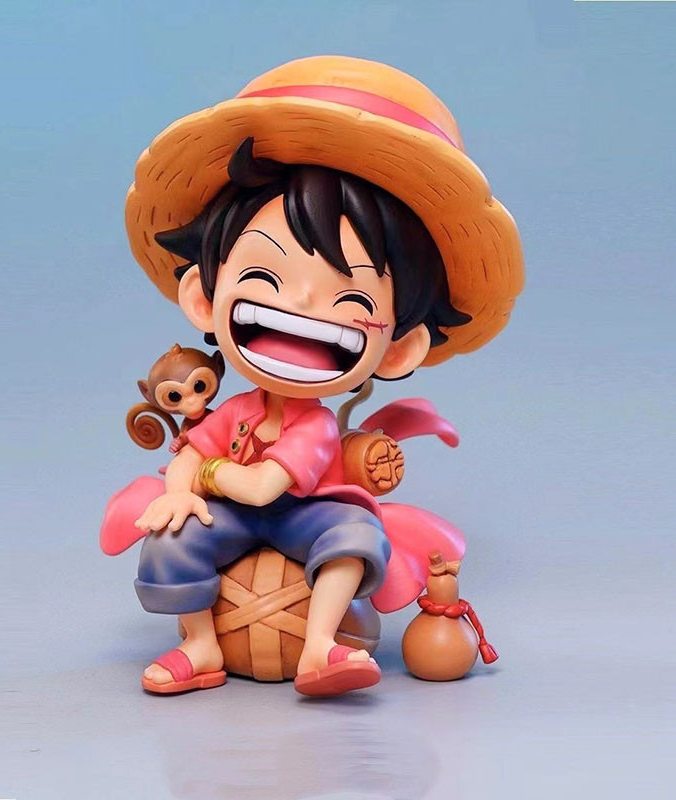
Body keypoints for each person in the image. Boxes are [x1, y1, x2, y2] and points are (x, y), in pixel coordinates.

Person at [101, 55, 524, 696]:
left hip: (305, 514)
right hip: (233, 517)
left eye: (349, 299)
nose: (298, 306)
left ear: (396, 350)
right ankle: (200, 646)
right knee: (170, 535)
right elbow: (190, 454)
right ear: (203, 298)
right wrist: (180, 490)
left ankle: (320, 645)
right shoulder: (235, 409)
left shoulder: (315, 425)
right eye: (263, 277)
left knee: (354, 538)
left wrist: (206, 475)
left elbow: (260, 488)